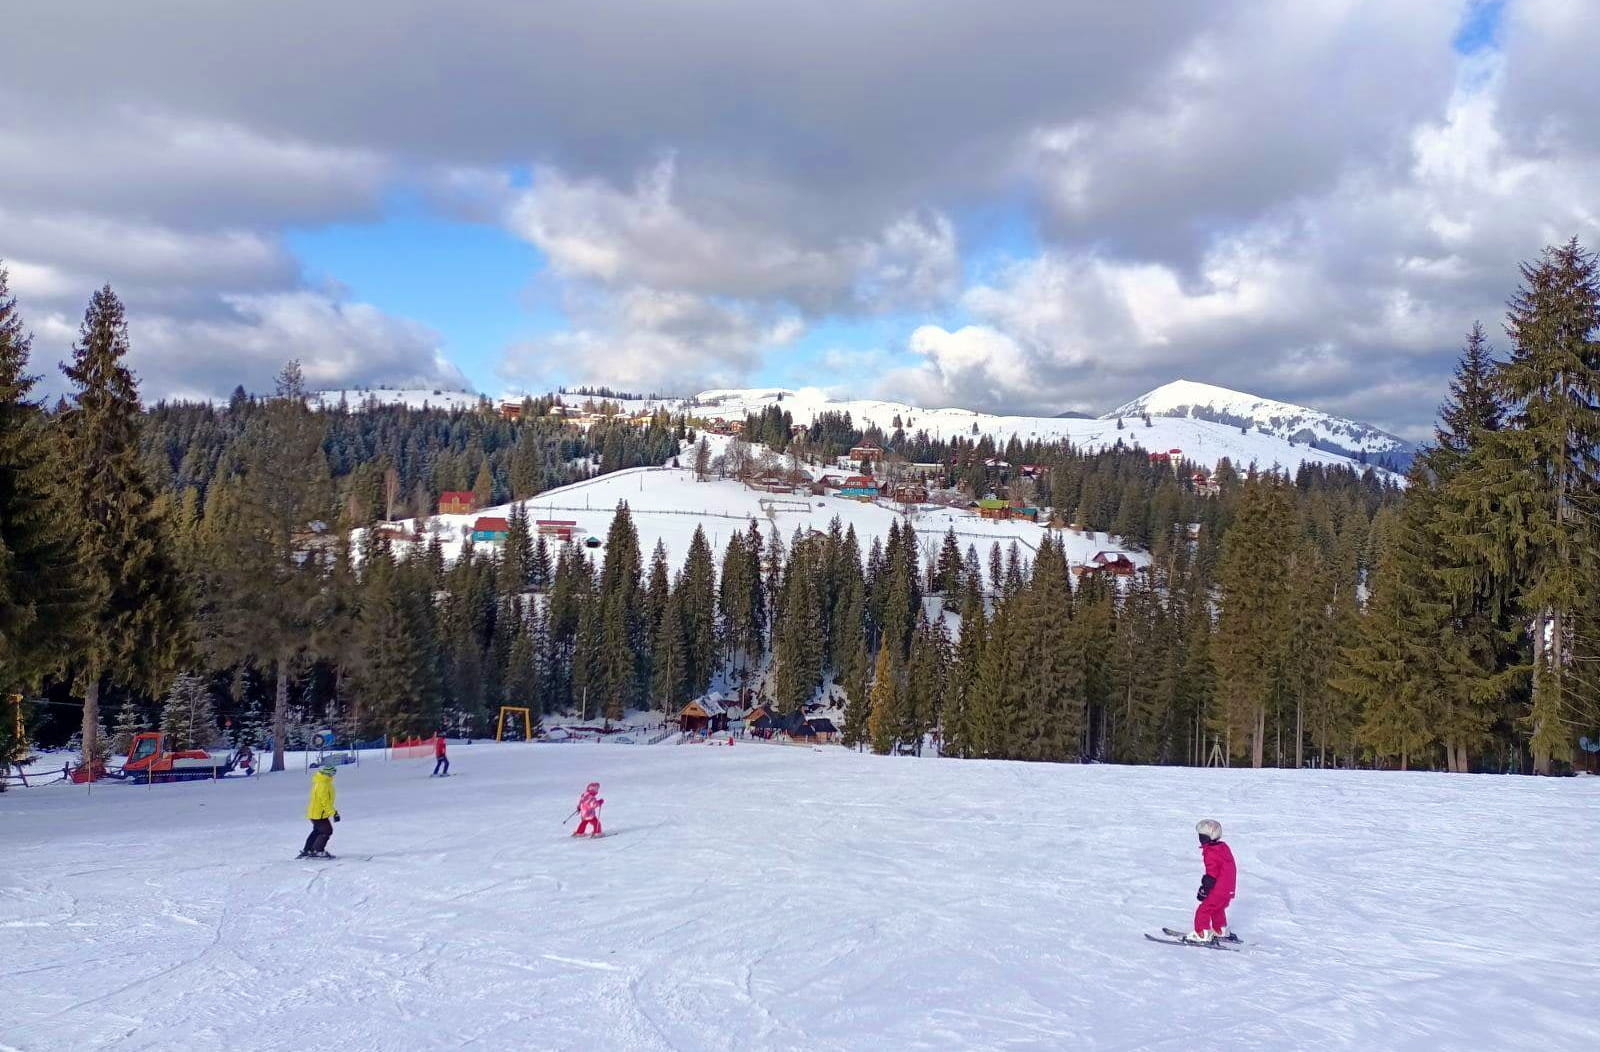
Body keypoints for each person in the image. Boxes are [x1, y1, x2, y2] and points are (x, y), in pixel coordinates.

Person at [1189, 819, 1237, 943]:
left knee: (1204, 909)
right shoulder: (1223, 847)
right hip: (1228, 889)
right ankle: (1220, 930)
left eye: (1201, 836)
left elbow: (1212, 873)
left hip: (1218, 888)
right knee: (1217, 908)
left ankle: (1201, 933)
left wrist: (1205, 888)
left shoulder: (1211, 852)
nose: (1199, 838)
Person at [298, 764, 341, 859]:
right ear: (328, 773)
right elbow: (324, 801)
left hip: (317, 812)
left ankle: (308, 849)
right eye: (333, 773)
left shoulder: (321, 781)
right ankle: (318, 850)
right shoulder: (323, 784)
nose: (333, 775)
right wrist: (334, 813)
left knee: (317, 831)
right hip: (318, 813)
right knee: (327, 830)